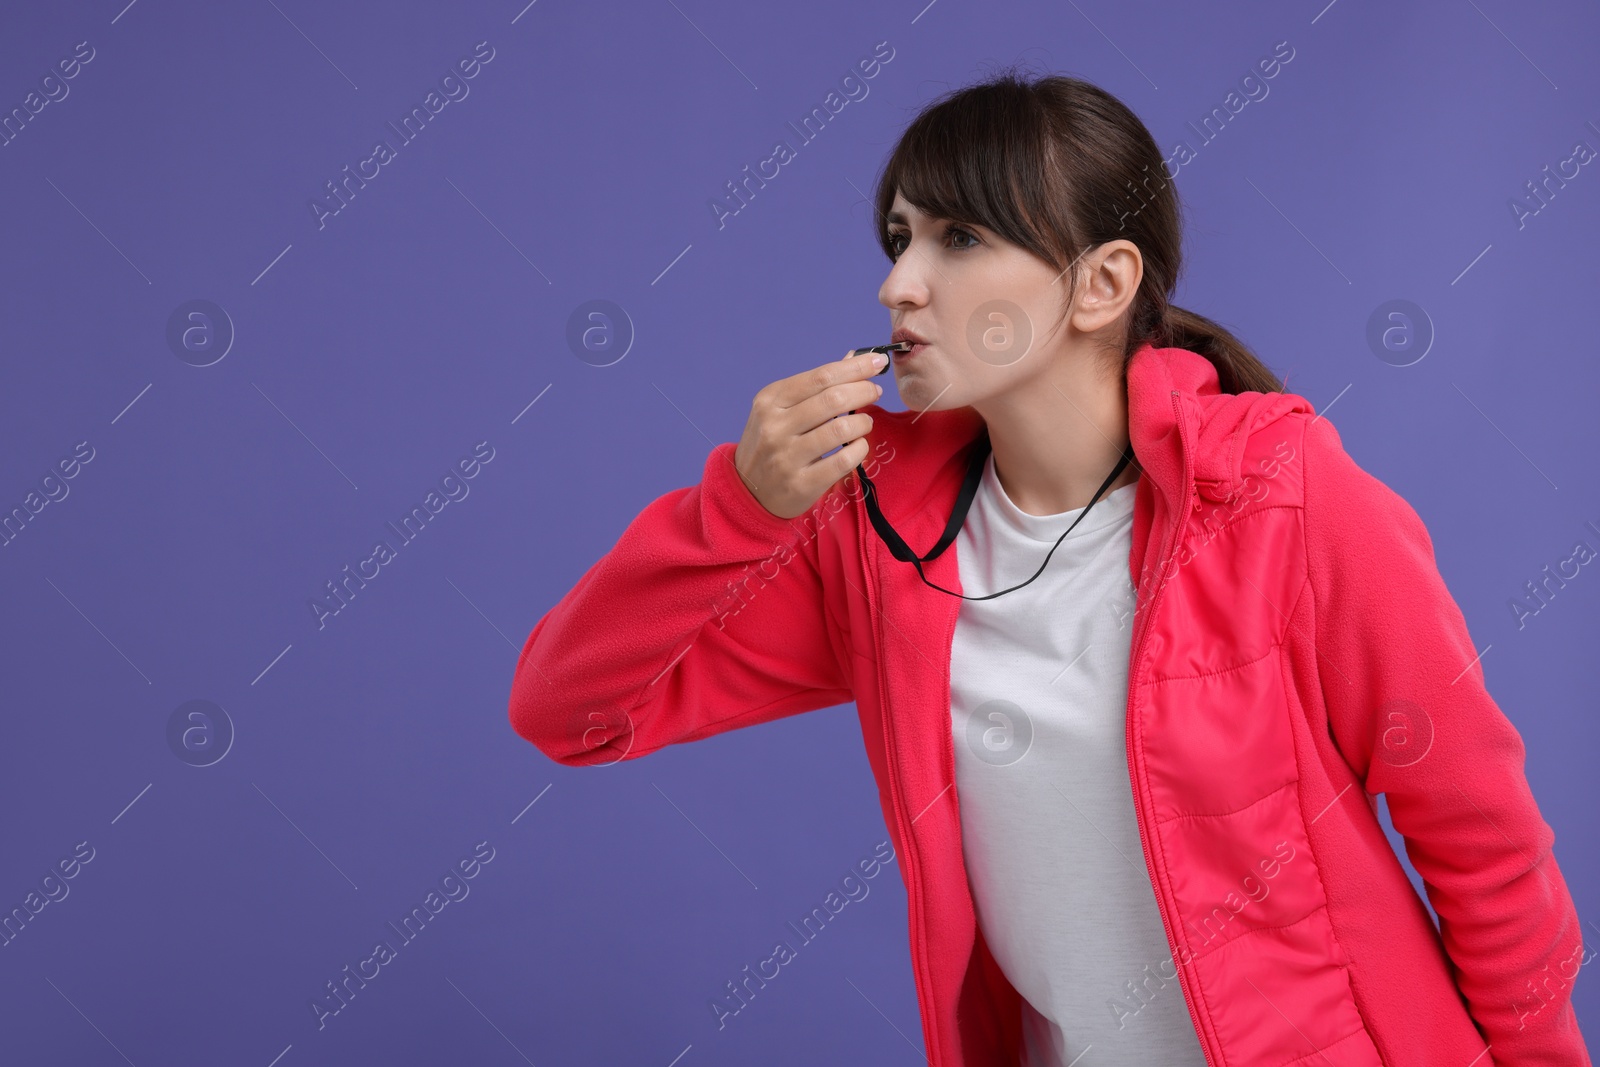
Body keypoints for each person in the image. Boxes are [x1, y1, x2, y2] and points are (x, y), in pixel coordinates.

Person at [508, 70, 1590, 1066]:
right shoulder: (879, 538)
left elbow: (1482, 840)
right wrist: (737, 511)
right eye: (898, 238)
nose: (899, 285)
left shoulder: (1283, 495)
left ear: (1100, 281)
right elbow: (575, 711)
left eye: (959, 237)